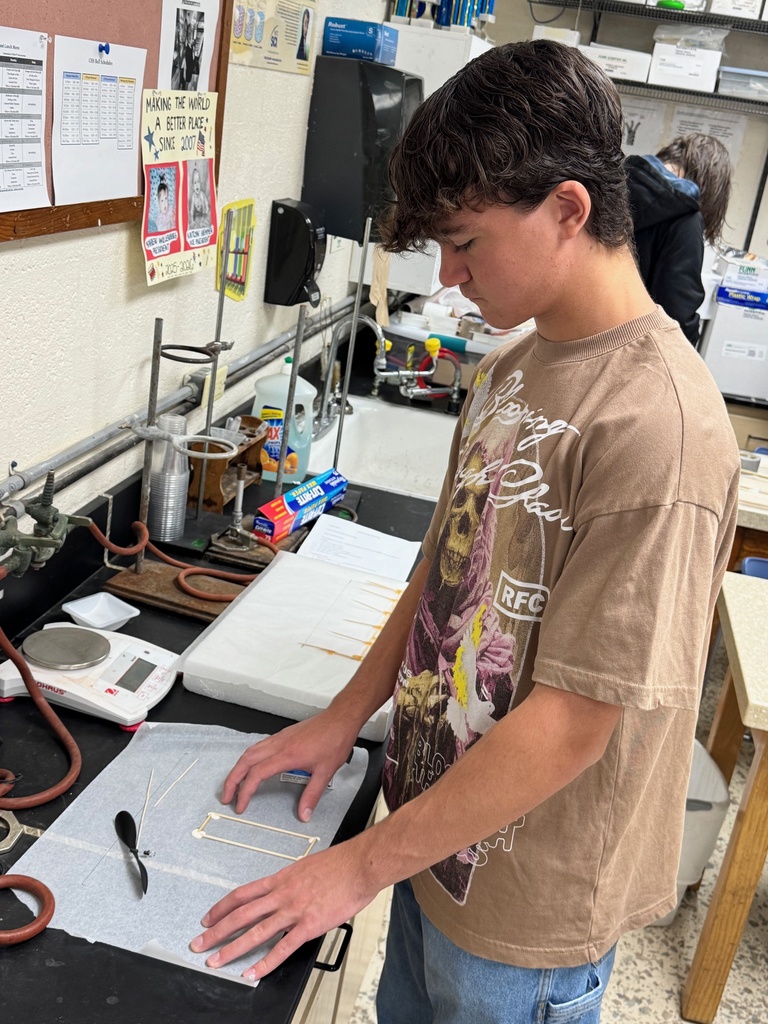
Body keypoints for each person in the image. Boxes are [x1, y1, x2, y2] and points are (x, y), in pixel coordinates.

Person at [190, 41, 740, 1022]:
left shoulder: (660, 423)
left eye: (466, 242)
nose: (446, 276)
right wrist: (340, 719)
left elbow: (576, 719)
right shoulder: (513, 366)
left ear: (569, 209)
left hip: (527, 909)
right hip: (434, 840)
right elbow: (436, 583)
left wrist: (355, 865)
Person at [626, 133, 733, 346]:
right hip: (635, 351)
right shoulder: (685, 217)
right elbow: (678, 317)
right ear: (708, 182)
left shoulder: (617, 181)